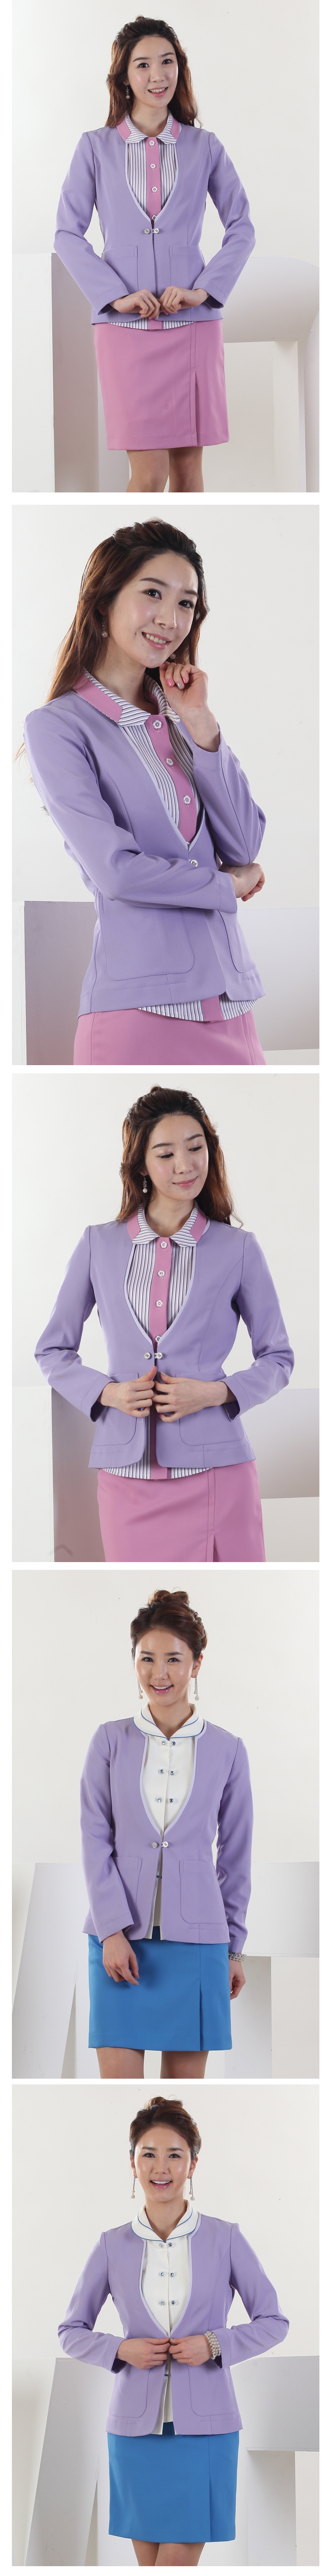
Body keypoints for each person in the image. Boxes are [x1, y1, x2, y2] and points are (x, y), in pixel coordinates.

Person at [23, 519, 266, 1070]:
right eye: (152, 593)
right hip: (138, 1012)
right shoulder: (58, 727)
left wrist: (200, 724)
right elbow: (117, 873)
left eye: (186, 604)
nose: (170, 619)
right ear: (104, 602)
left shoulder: (183, 717)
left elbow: (244, 843)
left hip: (233, 1002)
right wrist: (226, 885)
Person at [34, 1083, 294, 1565]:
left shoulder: (238, 1249)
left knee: (228, 1589)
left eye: (195, 1148)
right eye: (166, 1153)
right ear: (140, 1166)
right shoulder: (97, 1244)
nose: (185, 1165)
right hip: (125, 1475)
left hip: (218, 1472)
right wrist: (107, 1393)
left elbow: (278, 1358)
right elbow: (52, 1350)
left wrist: (215, 1393)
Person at [58, 2094, 289, 2562]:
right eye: (148, 2154)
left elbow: (273, 2322)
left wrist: (214, 2344)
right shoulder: (110, 2246)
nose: (160, 2167)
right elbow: (71, 2331)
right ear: (132, 2163)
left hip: (206, 2431)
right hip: (133, 2432)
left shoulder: (225, 2238)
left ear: (193, 2165)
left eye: (174, 2155)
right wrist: (121, 2349)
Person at [53, 16, 255, 494]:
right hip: (124, 329)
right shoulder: (94, 148)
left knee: (187, 475)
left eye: (167, 62)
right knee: (148, 476)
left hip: (193, 326)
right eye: (142, 65)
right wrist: (114, 296)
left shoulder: (204, 147)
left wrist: (203, 291)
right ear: (124, 77)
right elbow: (67, 234)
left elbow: (242, 228)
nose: (157, 75)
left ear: (179, 69)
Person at [81, 1584, 253, 2077]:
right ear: (134, 1663)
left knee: (186, 2096)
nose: (159, 1674)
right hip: (118, 1943)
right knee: (117, 2097)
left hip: (198, 1948)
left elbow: (235, 1857)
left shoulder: (228, 1750)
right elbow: (94, 1840)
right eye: (147, 1659)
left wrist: (233, 1949)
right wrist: (111, 1931)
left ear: (196, 1664)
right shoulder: (109, 1741)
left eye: (174, 1660)